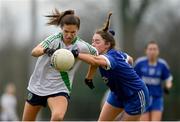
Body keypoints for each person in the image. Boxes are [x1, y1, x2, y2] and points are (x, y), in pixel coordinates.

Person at [71, 12, 149, 121]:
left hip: (135, 95)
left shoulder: (111, 57)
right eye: (92, 41)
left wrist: (76, 54)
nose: (93, 44)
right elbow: (130, 59)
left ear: (107, 45)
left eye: (97, 41)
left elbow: (94, 60)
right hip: (117, 94)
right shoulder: (115, 54)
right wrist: (89, 78)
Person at [22, 8, 97, 121]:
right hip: (38, 86)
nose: (69, 35)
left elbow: (96, 58)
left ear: (77, 30)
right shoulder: (53, 40)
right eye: (66, 31)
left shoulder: (81, 45)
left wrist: (89, 77)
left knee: (58, 117)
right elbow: (34, 52)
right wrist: (46, 50)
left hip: (59, 88)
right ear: (61, 28)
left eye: (73, 32)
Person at [134, 41, 173, 121]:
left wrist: (167, 86)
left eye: (154, 49)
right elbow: (132, 78)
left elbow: (168, 79)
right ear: (146, 51)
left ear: (158, 51)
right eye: (150, 49)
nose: (152, 52)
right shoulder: (139, 63)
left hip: (157, 98)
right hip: (143, 98)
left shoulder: (162, 64)